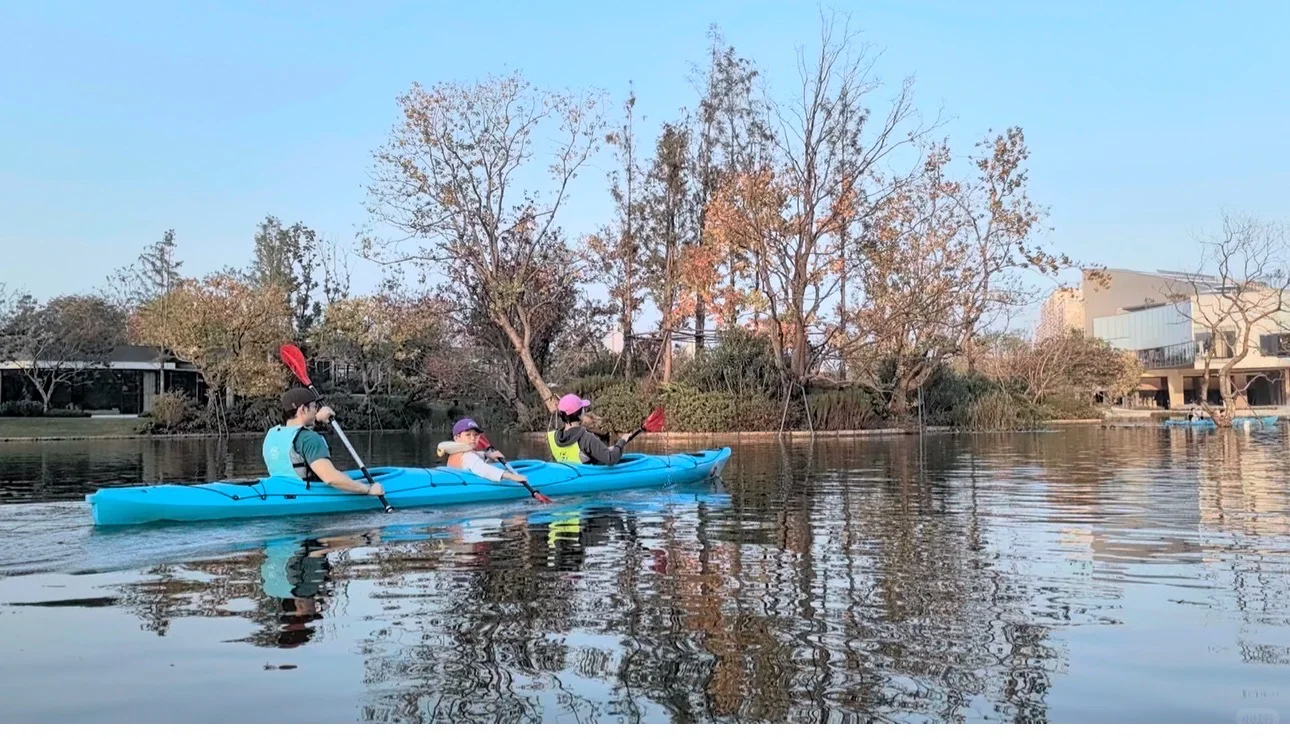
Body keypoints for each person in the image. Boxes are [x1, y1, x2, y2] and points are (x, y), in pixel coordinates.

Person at [262, 387, 385, 497]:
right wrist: (367, 489)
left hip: (278, 492)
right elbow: (331, 478)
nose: (316, 411)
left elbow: (297, 435)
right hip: (308, 495)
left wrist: (315, 419)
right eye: (315, 407)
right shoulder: (309, 439)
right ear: (303, 409)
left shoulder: (272, 434)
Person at [547, 393, 632, 465]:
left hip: (565, 479)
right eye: (583, 410)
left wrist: (606, 450)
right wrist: (622, 441)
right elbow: (611, 459)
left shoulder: (552, 438)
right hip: (585, 479)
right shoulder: (587, 439)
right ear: (580, 415)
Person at [441, 417, 529, 484]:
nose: (473, 438)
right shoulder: (468, 457)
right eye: (468, 435)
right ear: (457, 438)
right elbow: (484, 470)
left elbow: (474, 456)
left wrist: (487, 455)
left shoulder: (457, 452)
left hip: (456, 481)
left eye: (476, 435)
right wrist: (512, 477)